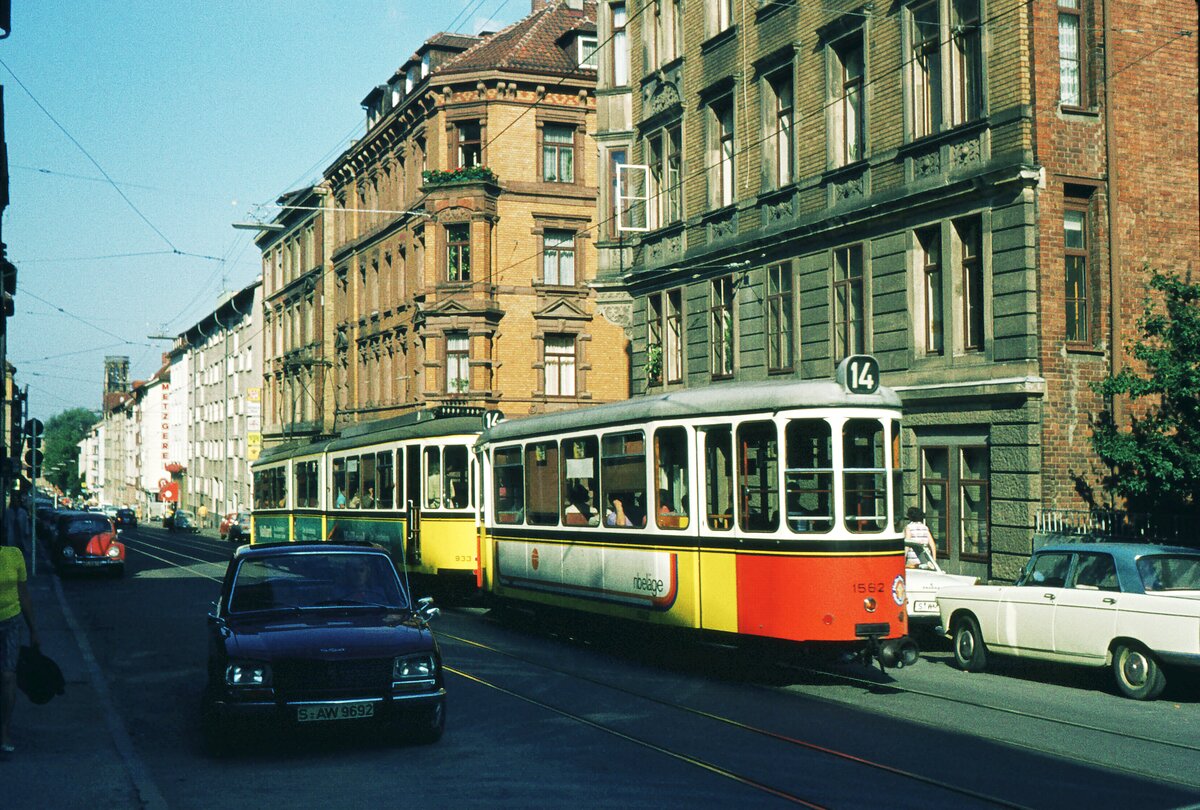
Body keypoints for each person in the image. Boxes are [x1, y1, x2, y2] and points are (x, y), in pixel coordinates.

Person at [1, 534, 39, 755]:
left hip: (11, 622)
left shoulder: (14, 556)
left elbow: (24, 595)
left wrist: (34, 630)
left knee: (7, 676)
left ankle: (5, 730)